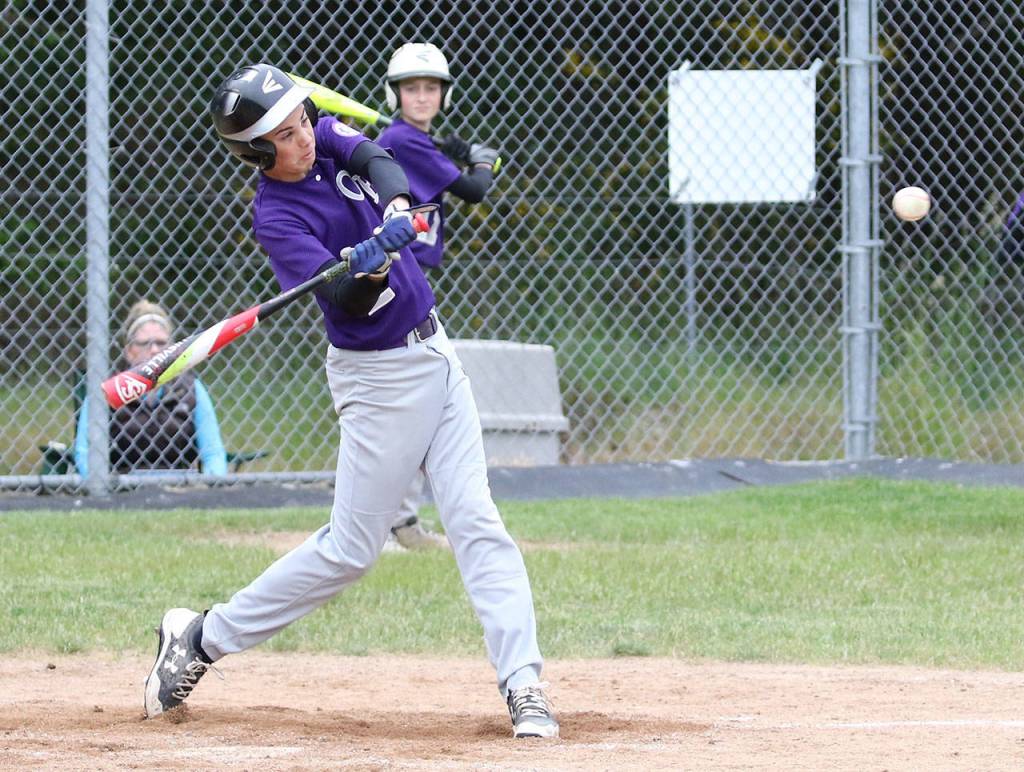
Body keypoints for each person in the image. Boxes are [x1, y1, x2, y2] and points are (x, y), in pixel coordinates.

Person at [143, 63, 558, 740]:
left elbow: (374, 154)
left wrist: (395, 210)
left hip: (437, 354)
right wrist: (367, 262)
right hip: (379, 380)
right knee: (349, 551)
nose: (303, 137)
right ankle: (201, 638)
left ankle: (524, 685)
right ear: (253, 152)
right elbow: (346, 300)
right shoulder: (276, 218)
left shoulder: (324, 136)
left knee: (477, 521)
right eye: (282, 134)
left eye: (300, 121)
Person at [377, 42, 501, 552]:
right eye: (412, 88)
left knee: (413, 396)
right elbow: (473, 191)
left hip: (412, 274)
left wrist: (452, 150)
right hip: (395, 277)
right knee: (412, 395)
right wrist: (485, 163)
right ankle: (391, 522)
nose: (422, 96)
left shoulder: (413, 139)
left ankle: (397, 520)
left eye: (431, 88)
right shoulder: (402, 139)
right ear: (395, 94)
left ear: (443, 96)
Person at [74, 300, 228, 477]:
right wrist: (98, 486)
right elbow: (84, 452)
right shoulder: (108, 390)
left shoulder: (191, 388)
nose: (154, 350)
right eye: (145, 343)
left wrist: (212, 485)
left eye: (161, 343)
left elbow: (213, 452)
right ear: (129, 350)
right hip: (124, 489)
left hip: (182, 488)